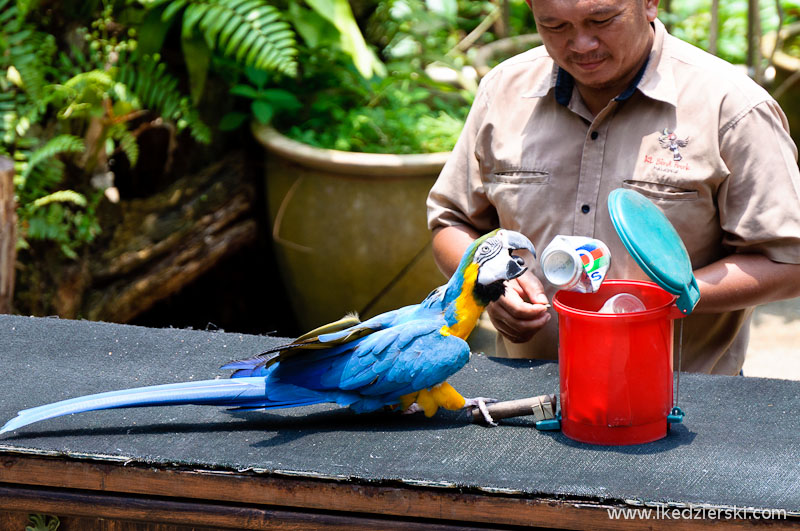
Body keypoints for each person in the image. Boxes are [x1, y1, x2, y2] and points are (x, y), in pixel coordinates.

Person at [426, 0, 800, 374]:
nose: (581, 44)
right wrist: (490, 284)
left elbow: (787, 262)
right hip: (528, 398)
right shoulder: (503, 91)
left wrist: (666, 297)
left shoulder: (731, 107)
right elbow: (451, 223)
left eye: (602, 20)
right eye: (554, 26)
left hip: (687, 405)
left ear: (650, 4)